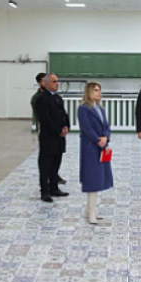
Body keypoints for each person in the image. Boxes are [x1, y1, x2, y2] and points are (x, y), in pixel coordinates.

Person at [78, 82, 114, 224]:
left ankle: (88, 209)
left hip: (101, 146)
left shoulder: (100, 108)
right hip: (90, 148)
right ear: (89, 92)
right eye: (96, 90)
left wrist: (106, 138)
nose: (99, 93)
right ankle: (92, 212)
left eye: (100, 90)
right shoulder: (83, 109)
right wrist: (99, 140)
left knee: (98, 178)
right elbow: (86, 128)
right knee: (92, 179)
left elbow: (106, 126)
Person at [34, 73, 70, 202]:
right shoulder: (42, 99)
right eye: (54, 81)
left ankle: (54, 188)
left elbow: (63, 114)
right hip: (49, 137)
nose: (57, 84)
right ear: (46, 83)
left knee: (56, 163)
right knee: (46, 165)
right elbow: (45, 119)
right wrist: (58, 131)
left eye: (57, 81)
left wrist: (66, 126)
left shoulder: (58, 97)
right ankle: (45, 191)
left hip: (59, 137)